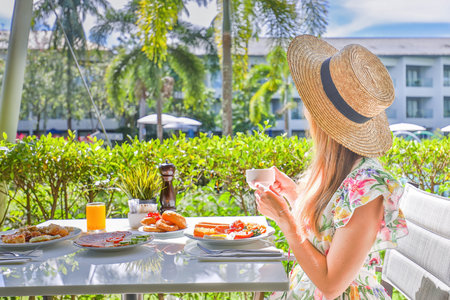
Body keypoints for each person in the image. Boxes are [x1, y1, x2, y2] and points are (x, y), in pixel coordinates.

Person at [254, 35, 409, 299]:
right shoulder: (341, 169)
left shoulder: (368, 189)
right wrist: (294, 194)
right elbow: (328, 232)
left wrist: (285, 220)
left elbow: (332, 284)